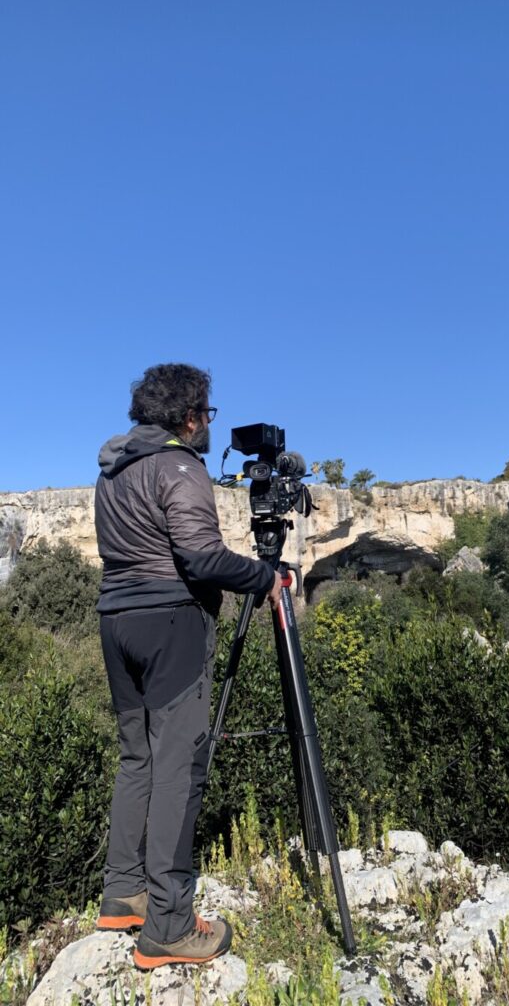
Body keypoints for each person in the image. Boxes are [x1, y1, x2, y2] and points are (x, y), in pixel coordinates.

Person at [93, 363, 281, 969]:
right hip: (170, 623)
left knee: (137, 757)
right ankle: (169, 926)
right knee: (178, 767)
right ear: (190, 417)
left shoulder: (112, 471)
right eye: (207, 413)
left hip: (115, 622)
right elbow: (200, 559)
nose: (207, 425)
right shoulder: (180, 466)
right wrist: (264, 576)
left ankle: (124, 893)